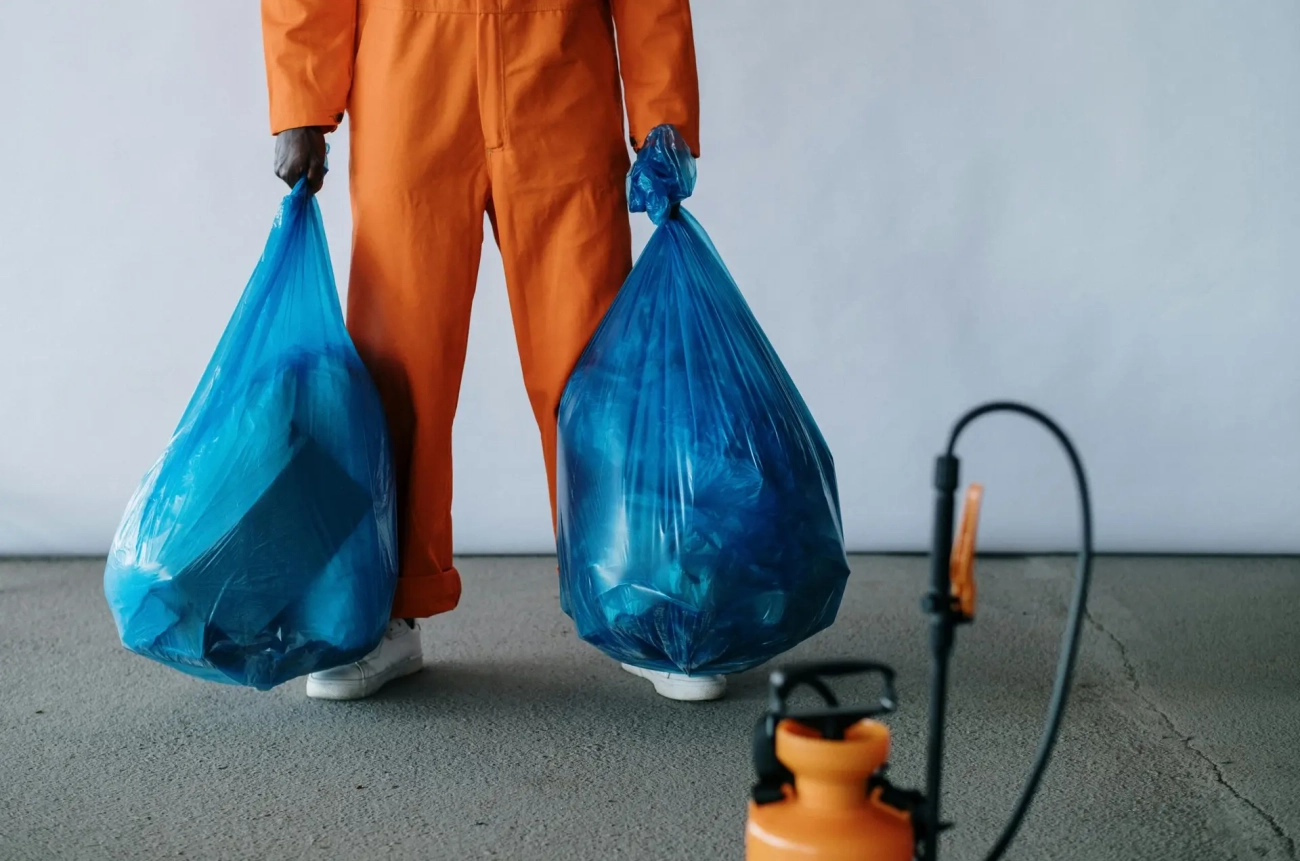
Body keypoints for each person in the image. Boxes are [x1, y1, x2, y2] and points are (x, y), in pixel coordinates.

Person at [260, 0, 726, 702]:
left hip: (557, 64)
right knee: (397, 360)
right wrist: (301, 95)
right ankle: (387, 608)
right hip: (409, 67)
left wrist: (662, 106)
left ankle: (643, 597)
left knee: (593, 354)